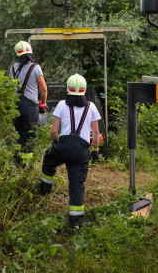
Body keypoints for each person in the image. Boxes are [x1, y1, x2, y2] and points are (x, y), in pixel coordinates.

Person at [39, 74, 101, 230]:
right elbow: (96, 135)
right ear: (84, 90)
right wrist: (95, 150)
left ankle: (45, 189)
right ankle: (76, 224)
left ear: (68, 89)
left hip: (64, 145)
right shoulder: (92, 107)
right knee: (76, 185)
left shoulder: (61, 104)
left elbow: (53, 131)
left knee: (48, 159)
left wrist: (56, 144)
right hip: (81, 151)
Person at [8, 40, 48, 166]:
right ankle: (26, 165)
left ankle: (17, 161)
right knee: (30, 134)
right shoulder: (35, 67)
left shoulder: (12, 68)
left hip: (15, 104)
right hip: (31, 106)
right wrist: (43, 102)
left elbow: (10, 88)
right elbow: (44, 88)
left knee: (19, 133)